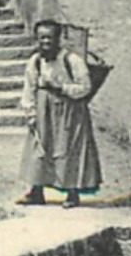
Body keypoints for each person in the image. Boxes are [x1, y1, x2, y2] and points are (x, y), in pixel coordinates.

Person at [15, 20, 103, 209]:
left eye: (50, 38)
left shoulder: (72, 60)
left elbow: (85, 88)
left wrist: (60, 87)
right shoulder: (35, 61)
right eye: (41, 38)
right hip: (43, 111)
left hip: (69, 113)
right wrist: (30, 112)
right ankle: (36, 192)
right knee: (39, 149)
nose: (45, 42)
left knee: (69, 150)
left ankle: (72, 193)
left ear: (59, 38)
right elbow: (28, 88)